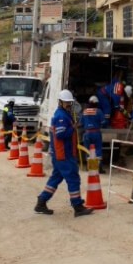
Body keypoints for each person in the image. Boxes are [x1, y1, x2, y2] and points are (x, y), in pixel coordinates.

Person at [33, 90, 93, 218]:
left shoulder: (63, 114)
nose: (69, 104)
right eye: (66, 102)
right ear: (60, 102)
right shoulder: (61, 116)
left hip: (61, 154)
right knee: (73, 179)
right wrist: (73, 128)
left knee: (55, 179)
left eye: (69, 102)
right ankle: (77, 206)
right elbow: (60, 134)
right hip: (64, 155)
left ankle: (41, 202)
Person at [80, 96, 105, 169]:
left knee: (88, 150)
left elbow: (81, 123)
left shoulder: (85, 111)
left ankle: (89, 167)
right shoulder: (99, 111)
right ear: (96, 103)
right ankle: (99, 167)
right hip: (96, 133)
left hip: (87, 134)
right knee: (98, 149)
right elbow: (103, 122)